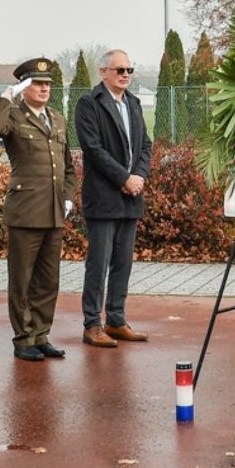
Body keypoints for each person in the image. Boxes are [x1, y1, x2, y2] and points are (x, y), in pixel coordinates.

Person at [0, 58, 79, 361]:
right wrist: (6, 97)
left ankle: (41, 334)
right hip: (26, 209)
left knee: (48, 279)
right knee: (22, 279)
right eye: (37, 84)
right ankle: (23, 338)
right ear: (25, 87)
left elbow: (67, 167)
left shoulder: (57, 118)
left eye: (47, 84)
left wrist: (67, 198)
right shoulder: (14, 115)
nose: (43, 89)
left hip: (54, 210)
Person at [74, 49, 153, 347]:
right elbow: (93, 149)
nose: (125, 75)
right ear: (103, 71)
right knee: (99, 262)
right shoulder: (89, 104)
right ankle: (92, 324)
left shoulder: (133, 103)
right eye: (119, 70)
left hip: (131, 195)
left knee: (123, 262)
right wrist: (124, 178)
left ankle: (116, 320)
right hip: (104, 197)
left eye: (129, 70)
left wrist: (140, 177)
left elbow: (145, 144)